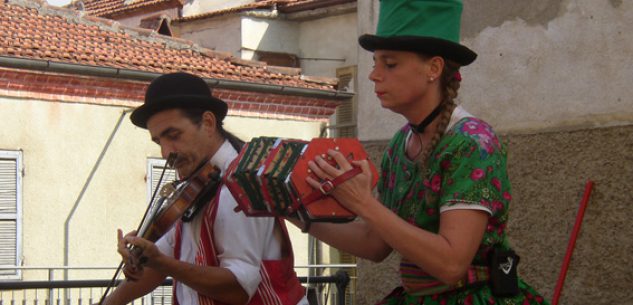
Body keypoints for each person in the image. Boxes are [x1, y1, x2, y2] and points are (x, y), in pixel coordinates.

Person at [289, 1, 550, 304]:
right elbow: (375, 244)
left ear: (434, 68)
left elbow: (451, 264)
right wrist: (295, 215)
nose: (374, 75)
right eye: (375, 63)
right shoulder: (400, 145)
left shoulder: (472, 143)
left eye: (390, 64)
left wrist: (362, 202)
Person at [101, 72, 308, 305]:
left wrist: (162, 262)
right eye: (159, 141)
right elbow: (161, 260)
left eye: (174, 135)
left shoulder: (239, 185)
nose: (166, 152)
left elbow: (238, 289)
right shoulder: (193, 182)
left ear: (208, 123)